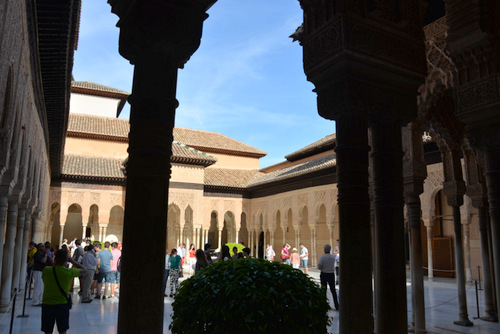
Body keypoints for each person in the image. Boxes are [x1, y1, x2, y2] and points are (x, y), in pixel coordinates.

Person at [41, 249, 87, 334]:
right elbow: (85, 269)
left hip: (47, 304)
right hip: (62, 305)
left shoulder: (46, 270)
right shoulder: (69, 272)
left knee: (47, 331)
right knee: (62, 330)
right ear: (66, 260)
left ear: (55, 258)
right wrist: (72, 260)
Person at [318, 244, 339, 310]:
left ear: (324, 249)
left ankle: (324, 305)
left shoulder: (322, 257)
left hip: (324, 274)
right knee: (333, 290)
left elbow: (319, 266)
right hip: (331, 274)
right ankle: (336, 305)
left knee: (324, 290)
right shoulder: (332, 257)